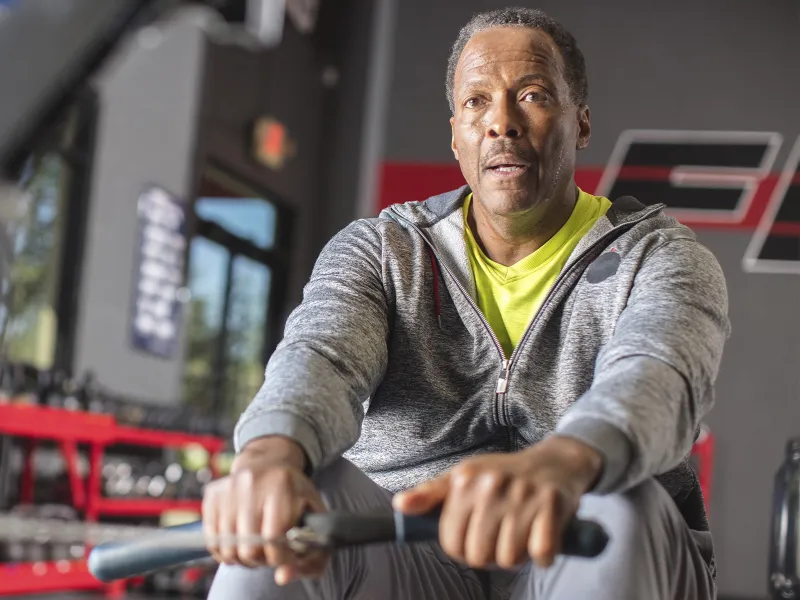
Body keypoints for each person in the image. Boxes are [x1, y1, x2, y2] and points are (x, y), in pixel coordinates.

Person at [203, 7, 730, 600]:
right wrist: (271, 455)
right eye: (477, 101)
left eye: (530, 95)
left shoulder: (658, 255)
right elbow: (321, 357)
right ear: (456, 134)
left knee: (617, 504)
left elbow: (659, 375)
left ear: (580, 124)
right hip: (412, 555)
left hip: (587, 548)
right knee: (291, 513)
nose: (501, 123)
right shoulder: (383, 250)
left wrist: (565, 462)